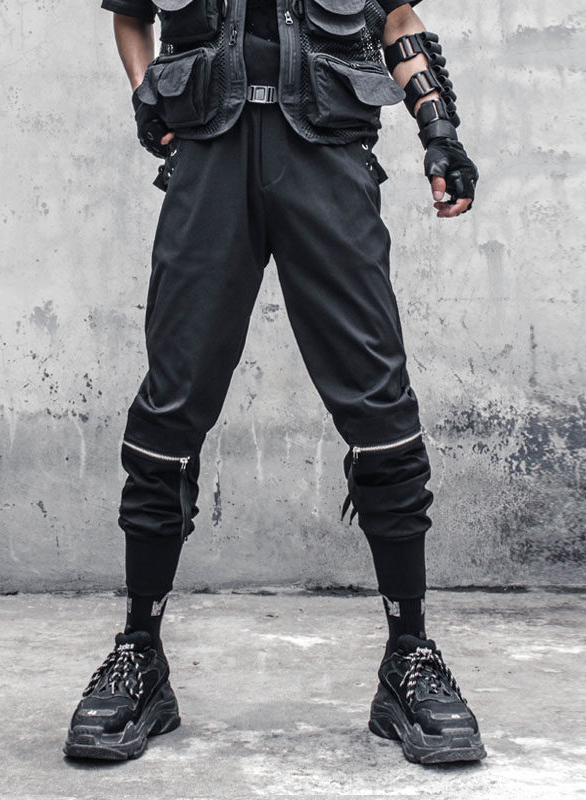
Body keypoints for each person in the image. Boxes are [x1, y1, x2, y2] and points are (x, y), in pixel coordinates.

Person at [63, 0, 485, 765]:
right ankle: (139, 655)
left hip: (326, 156)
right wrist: (144, 96)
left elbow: (396, 21)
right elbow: (130, 15)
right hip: (210, 157)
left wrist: (440, 132)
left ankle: (410, 657)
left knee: (378, 402)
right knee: (170, 405)